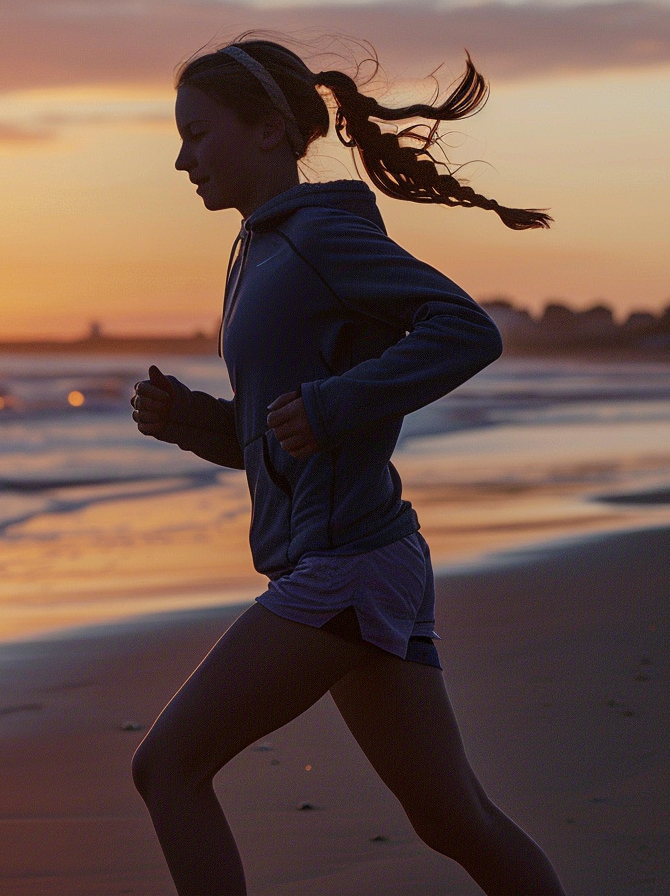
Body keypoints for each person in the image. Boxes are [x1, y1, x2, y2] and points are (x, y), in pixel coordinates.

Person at [128, 37, 567, 895]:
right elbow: (281, 442)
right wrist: (194, 423)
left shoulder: (320, 235)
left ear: (267, 131)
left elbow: (466, 329)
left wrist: (337, 405)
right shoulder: (259, 250)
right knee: (452, 821)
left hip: (346, 564)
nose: (181, 160)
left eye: (197, 134)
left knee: (167, 768)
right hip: (363, 556)